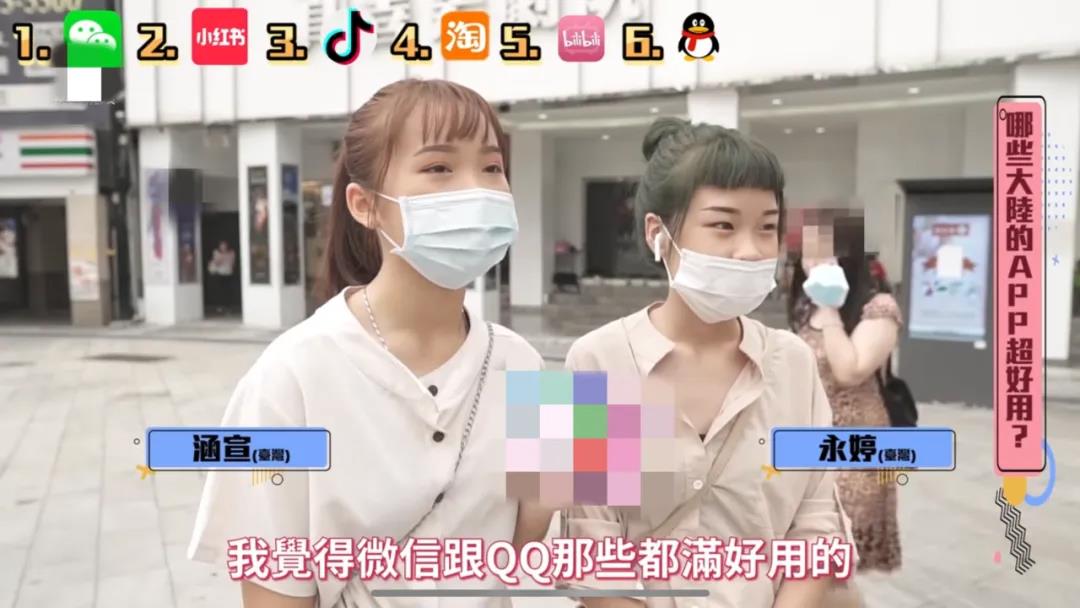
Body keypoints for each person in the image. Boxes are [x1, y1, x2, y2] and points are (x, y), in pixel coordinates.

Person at [188, 79, 543, 608]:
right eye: (438, 167)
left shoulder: (525, 365)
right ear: (364, 204)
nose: (476, 189)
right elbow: (274, 594)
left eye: (492, 167)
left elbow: (544, 545)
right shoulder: (289, 379)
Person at [523, 118, 854, 607]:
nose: (750, 251)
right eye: (723, 225)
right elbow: (589, 550)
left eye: (767, 227)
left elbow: (816, 527)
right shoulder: (594, 360)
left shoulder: (795, 364)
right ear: (658, 233)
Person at [787, 217, 902, 587]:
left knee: (838, 552)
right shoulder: (805, 307)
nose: (814, 261)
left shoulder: (879, 308)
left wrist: (830, 308)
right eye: (808, 254)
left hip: (857, 445)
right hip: (810, 441)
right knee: (807, 550)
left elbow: (850, 371)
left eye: (825, 252)